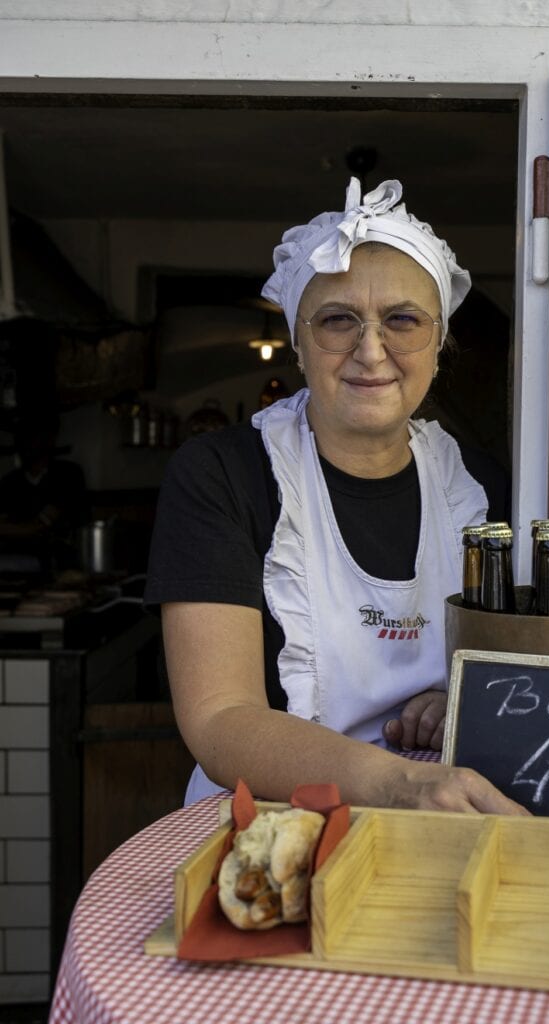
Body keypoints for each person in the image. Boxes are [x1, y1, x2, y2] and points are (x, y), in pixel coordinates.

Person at [145, 177, 527, 816]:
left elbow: (510, 663)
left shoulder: (479, 485)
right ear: (297, 342)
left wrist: (461, 699)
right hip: (267, 815)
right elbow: (219, 718)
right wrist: (401, 783)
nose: (371, 350)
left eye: (402, 320)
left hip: (440, 805)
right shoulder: (221, 475)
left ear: (439, 342)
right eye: (337, 321)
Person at [0, 413, 89, 573]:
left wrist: (14, 528)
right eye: (23, 437)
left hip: (56, 560)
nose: (27, 443)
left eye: (34, 436)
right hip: (14, 558)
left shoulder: (67, 475)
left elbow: (40, 526)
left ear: (50, 440)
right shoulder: (10, 482)